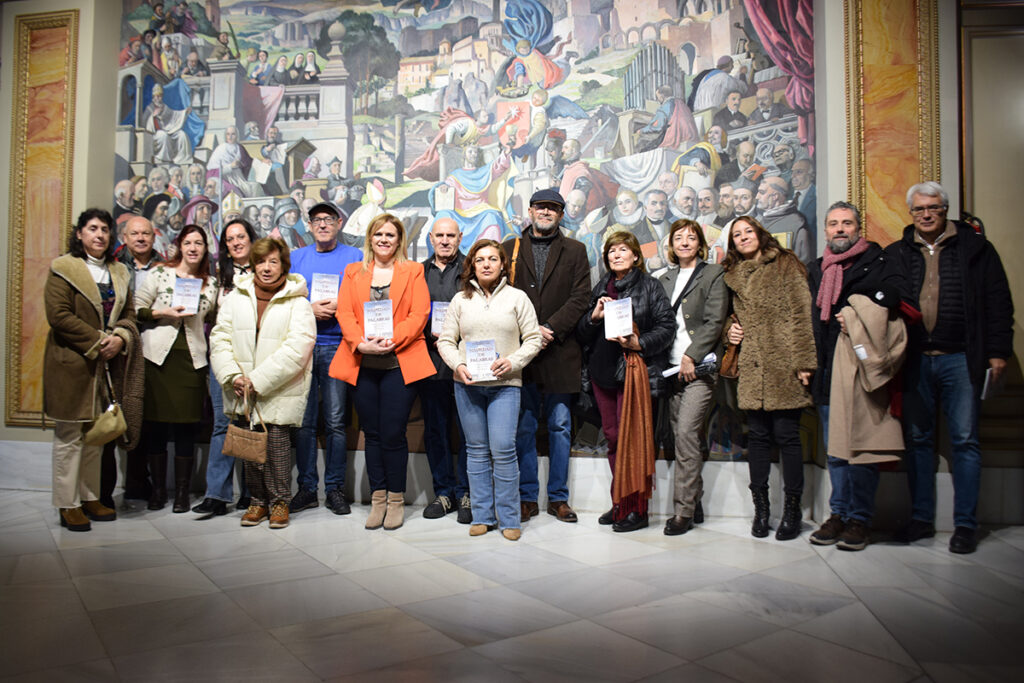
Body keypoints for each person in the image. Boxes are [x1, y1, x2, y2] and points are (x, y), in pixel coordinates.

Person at [884, 181, 1014, 554]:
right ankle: (922, 520)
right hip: (915, 360)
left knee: (966, 442)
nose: (926, 215)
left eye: (934, 208)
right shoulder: (898, 252)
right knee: (919, 442)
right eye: (919, 209)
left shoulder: (975, 249)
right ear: (911, 213)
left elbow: (998, 302)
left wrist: (998, 352)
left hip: (961, 358)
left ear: (945, 210)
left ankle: (966, 526)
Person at [807, 202, 911, 550]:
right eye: (833, 224)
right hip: (825, 370)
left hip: (859, 369)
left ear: (857, 228)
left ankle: (859, 520)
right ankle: (838, 514)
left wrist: (854, 309)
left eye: (847, 223)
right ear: (825, 230)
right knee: (835, 449)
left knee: (861, 449)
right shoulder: (817, 270)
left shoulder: (879, 261)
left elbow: (896, 298)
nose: (839, 229)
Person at [330, 214, 433, 531]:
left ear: (399, 239)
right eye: (379, 234)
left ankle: (396, 500)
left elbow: (420, 314)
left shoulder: (413, 270)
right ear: (370, 239)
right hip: (362, 363)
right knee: (371, 434)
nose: (385, 239)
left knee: (392, 433)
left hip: (398, 363)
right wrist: (360, 343)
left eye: (391, 234)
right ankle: (378, 499)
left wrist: (391, 339)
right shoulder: (352, 272)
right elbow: (344, 312)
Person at [438, 240, 542, 540]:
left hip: (505, 386)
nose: (486, 264)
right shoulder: (460, 300)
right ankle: (483, 516)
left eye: (493, 259)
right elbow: (446, 341)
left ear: (502, 264)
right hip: (468, 386)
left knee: (504, 449)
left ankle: (509, 519)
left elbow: (533, 339)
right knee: (477, 451)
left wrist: (513, 362)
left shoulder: (517, 298)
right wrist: (458, 365)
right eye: (480, 259)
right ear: (472, 264)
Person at [210, 238, 316, 529]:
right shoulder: (236, 297)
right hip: (241, 387)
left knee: (278, 446)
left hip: (277, 387)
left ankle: (280, 502)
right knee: (249, 445)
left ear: (283, 264)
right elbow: (219, 339)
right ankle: (257, 501)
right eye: (261, 262)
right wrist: (233, 376)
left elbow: (299, 347)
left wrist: (258, 380)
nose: (267, 268)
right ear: (253, 264)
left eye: (273, 261)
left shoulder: (298, 301)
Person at [722, 216, 816, 540]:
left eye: (748, 231)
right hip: (751, 364)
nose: (744, 237)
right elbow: (727, 319)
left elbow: (803, 314)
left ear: (761, 234)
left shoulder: (785, 264)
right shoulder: (732, 274)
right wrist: (728, 333)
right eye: (737, 234)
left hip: (784, 362)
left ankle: (792, 512)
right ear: (732, 243)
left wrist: (805, 362)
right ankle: (761, 512)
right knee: (758, 438)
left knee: (788, 436)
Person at [44, 209, 138, 531]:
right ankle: (67, 503)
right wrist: (100, 341)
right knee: (70, 436)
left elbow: (129, 315)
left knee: (95, 437)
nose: (99, 235)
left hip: (106, 368)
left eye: (104, 230)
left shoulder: (120, 272)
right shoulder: (64, 268)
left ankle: (89, 497)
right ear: (80, 233)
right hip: (71, 364)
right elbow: (58, 316)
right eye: (92, 229)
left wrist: (121, 338)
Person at [502, 189, 592, 523]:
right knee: (523, 428)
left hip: (560, 349)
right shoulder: (508, 248)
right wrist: (528, 333)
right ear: (530, 210)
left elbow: (581, 296)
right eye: (541, 207)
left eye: (553, 208)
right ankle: (527, 497)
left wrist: (550, 327)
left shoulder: (576, 250)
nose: (546, 212)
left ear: (561, 214)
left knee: (560, 426)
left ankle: (558, 498)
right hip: (520, 353)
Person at [577, 232, 675, 532]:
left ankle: (638, 509)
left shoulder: (650, 286)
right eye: (611, 252)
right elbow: (583, 334)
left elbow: (667, 327)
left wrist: (638, 343)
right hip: (602, 374)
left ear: (635, 255)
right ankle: (620, 500)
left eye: (622, 250)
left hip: (634, 375)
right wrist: (593, 317)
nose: (616, 255)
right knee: (614, 439)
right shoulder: (601, 287)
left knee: (635, 442)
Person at [135, 225, 218, 512]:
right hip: (158, 359)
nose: (193, 248)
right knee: (156, 427)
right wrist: (163, 312)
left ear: (206, 248)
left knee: (187, 428)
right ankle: (159, 491)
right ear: (179, 246)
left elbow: (218, 318)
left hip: (192, 361)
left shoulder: (212, 284)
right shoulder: (159, 274)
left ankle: (182, 493)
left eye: (199, 243)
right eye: (188, 242)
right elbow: (136, 309)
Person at [288, 203, 363, 515]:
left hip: (339, 345)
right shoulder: (295, 259)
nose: (322, 224)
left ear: (339, 222)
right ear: (309, 225)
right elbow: (286, 301)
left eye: (328, 219)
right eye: (316, 220)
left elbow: (364, 297)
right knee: (303, 423)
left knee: (334, 421)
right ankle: (306, 488)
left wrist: (341, 305)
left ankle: (334, 489)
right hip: (303, 346)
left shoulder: (355, 258)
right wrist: (310, 308)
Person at [657, 220, 729, 535]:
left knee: (686, 433)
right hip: (670, 371)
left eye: (691, 237)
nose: (684, 242)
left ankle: (682, 512)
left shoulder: (714, 274)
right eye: (678, 237)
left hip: (699, 370)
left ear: (700, 243)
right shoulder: (664, 277)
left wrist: (692, 355)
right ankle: (694, 499)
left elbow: (716, 320)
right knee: (681, 438)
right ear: (671, 245)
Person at [191, 219, 259, 516]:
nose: (235, 243)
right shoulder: (217, 276)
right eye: (230, 239)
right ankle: (217, 495)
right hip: (222, 359)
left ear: (250, 239)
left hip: (256, 359)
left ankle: (250, 493)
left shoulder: (265, 270)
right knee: (223, 424)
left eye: (240, 236)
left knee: (252, 424)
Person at [418, 218, 471, 522]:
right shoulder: (418, 272)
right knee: (435, 431)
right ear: (431, 237)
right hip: (429, 362)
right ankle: (443, 493)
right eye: (440, 235)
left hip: (463, 363)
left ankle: (466, 492)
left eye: (451, 235)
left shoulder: (470, 269)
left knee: (467, 431)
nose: (445, 240)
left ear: (460, 237)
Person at [109, 216, 161, 505]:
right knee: (126, 412)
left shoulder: (165, 266)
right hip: (121, 347)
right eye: (135, 234)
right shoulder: (114, 266)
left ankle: (149, 482)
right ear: (124, 237)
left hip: (153, 348)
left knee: (150, 414)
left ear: (154, 238)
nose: (141, 238)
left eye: (146, 234)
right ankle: (132, 480)